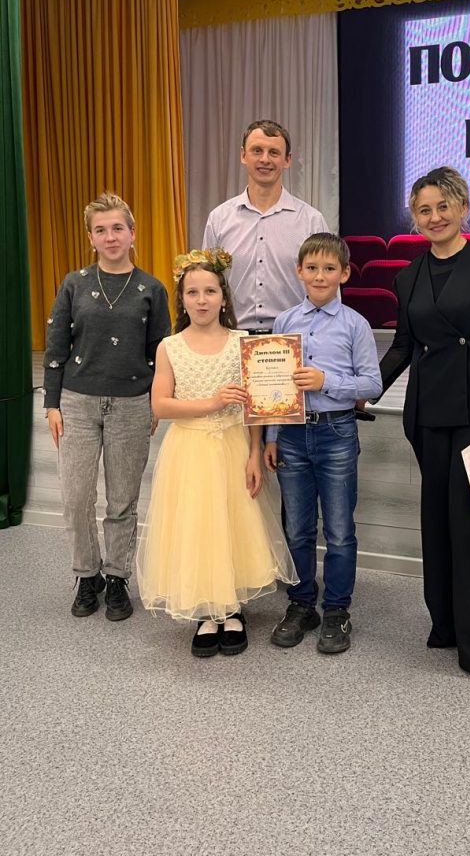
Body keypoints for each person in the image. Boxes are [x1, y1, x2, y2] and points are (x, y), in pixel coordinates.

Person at [376, 168, 470, 683]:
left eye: (444, 206)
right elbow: (403, 346)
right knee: (438, 524)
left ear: (463, 207)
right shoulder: (408, 277)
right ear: (414, 218)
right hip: (429, 413)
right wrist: (362, 390)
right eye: (424, 210)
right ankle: (446, 626)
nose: (435, 217)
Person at [136, 249, 298, 658]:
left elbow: (255, 406)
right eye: (193, 292)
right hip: (189, 449)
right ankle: (207, 610)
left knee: (232, 525)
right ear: (182, 299)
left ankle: (233, 608)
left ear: (224, 297)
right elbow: (161, 405)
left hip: (233, 446)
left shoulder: (243, 344)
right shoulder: (170, 347)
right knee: (196, 525)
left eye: (210, 291)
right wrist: (212, 402)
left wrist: (254, 452)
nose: (202, 299)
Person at [44, 193, 171, 621]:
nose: (110, 236)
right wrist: (52, 403)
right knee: (76, 497)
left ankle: (117, 577)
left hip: (132, 404)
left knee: (122, 500)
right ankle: (87, 574)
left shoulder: (152, 288)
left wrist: (156, 402)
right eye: (101, 230)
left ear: (132, 234)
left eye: (118, 228)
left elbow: (160, 352)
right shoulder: (74, 283)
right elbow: (56, 346)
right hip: (77, 403)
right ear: (90, 238)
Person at [263, 234, 382, 654]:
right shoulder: (284, 322)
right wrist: (272, 436)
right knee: (297, 527)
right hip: (292, 435)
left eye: (329, 269)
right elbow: (274, 386)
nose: (319, 276)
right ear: (299, 271)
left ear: (344, 273)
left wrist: (326, 381)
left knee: (339, 529)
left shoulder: (355, 324)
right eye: (311, 268)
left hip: (336, 434)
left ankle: (336, 609)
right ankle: (301, 604)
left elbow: (372, 384)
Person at [202, 119, 328, 333]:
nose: (265, 159)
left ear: (287, 160)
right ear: (243, 155)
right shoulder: (219, 219)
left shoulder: (311, 221)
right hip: (232, 338)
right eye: (257, 150)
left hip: (294, 339)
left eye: (274, 153)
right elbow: (206, 284)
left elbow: (327, 290)